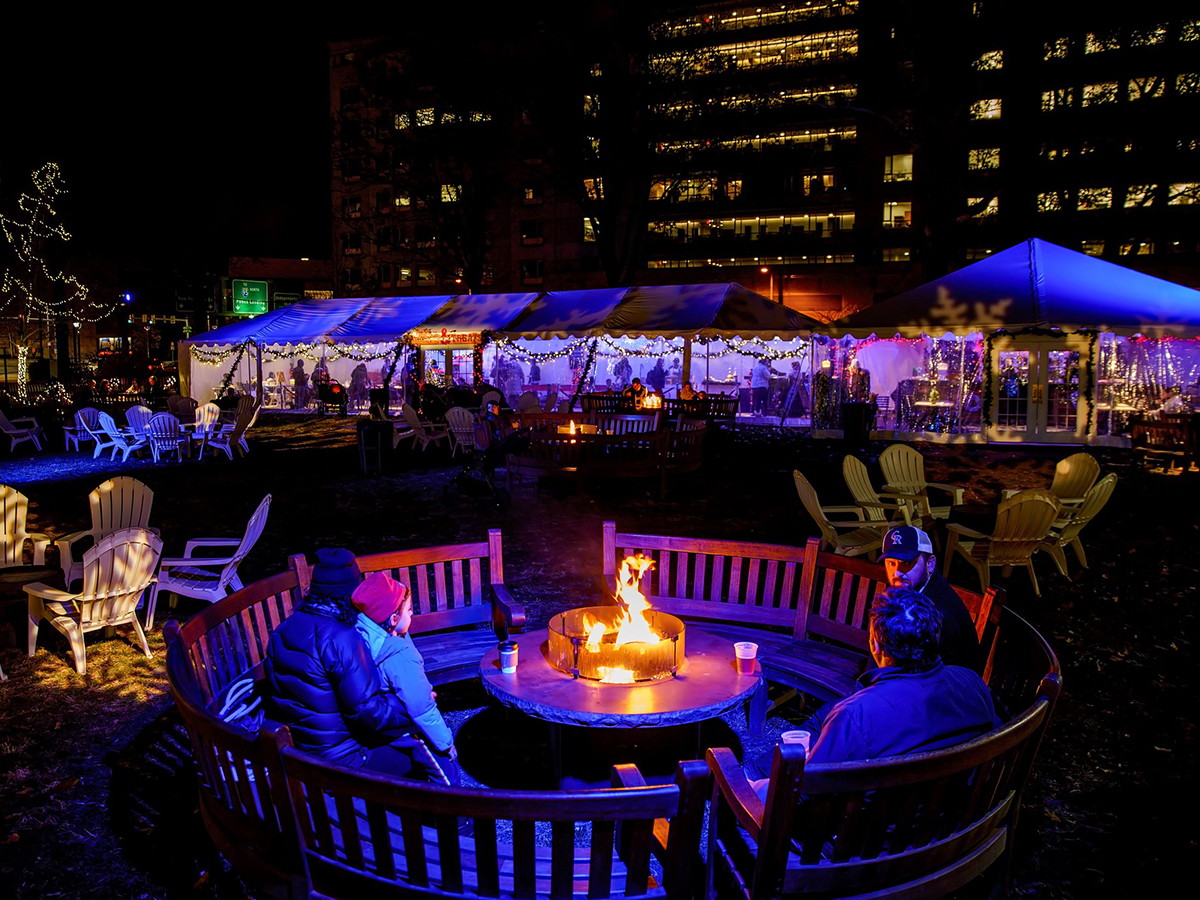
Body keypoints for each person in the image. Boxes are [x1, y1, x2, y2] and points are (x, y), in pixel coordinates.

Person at [791, 588, 1000, 769]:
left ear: (876, 646)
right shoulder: (972, 683)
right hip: (961, 808)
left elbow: (806, 794)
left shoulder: (856, 715)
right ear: (934, 638)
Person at [264, 548, 423, 777]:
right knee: (421, 751)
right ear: (352, 594)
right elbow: (367, 712)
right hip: (344, 760)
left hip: (301, 753)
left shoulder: (283, 630)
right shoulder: (342, 638)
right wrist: (411, 704)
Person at [352, 572, 460, 785]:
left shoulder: (365, 632)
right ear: (393, 618)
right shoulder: (398, 655)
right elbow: (421, 707)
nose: (412, 614)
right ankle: (456, 814)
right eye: (409, 610)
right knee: (443, 763)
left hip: (376, 714)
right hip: (397, 723)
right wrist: (446, 743)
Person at [879, 526, 983, 674]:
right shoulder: (909, 593)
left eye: (907, 563)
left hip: (950, 689)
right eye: (891, 563)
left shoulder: (938, 612)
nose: (897, 573)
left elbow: (923, 674)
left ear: (930, 564)